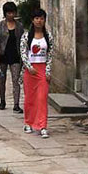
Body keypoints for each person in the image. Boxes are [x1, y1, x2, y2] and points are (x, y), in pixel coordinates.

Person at [20, 8, 53, 138]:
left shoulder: (48, 36)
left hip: (43, 69)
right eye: (37, 18)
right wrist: (29, 67)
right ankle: (28, 122)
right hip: (30, 71)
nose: (39, 21)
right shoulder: (26, 36)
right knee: (30, 98)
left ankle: (42, 125)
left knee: (42, 98)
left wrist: (48, 70)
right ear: (33, 20)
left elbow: (50, 54)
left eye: (42, 18)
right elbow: (23, 53)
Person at [0, 1, 24, 112]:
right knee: (2, 79)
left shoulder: (19, 26)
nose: (11, 15)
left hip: (15, 56)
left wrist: (23, 57)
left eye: (13, 13)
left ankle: (16, 104)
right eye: (9, 13)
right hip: (3, 56)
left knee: (16, 80)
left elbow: (22, 42)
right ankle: (2, 100)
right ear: (5, 13)